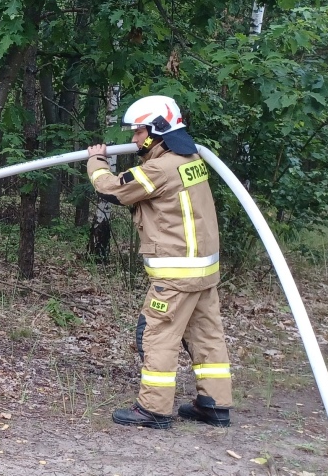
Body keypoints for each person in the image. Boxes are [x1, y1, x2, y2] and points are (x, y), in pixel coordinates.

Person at [87, 95, 232, 429]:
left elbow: (111, 190)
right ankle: (215, 404)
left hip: (176, 274)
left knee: (156, 336)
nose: (135, 139)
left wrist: (97, 161)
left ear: (156, 130)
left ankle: (153, 409)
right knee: (207, 336)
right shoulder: (191, 157)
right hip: (203, 273)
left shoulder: (159, 168)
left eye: (138, 132)